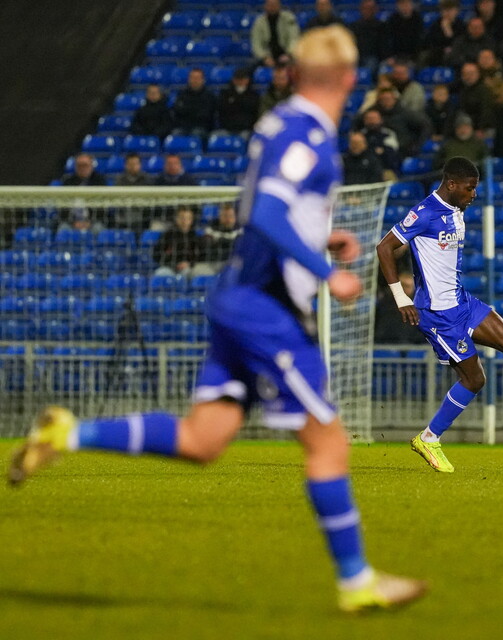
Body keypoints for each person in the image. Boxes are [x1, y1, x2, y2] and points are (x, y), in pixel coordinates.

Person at [8, 26, 426, 614]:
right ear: (350, 79)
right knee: (329, 443)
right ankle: (357, 582)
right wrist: (324, 271)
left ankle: (67, 434)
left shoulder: (277, 123)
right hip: (266, 310)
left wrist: (319, 239)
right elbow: (266, 213)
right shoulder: (307, 133)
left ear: (293, 72)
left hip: (237, 295)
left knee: (203, 439)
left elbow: (264, 207)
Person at [375, 157, 503, 473]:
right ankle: (429, 438)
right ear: (451, 184)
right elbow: (384, 247)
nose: (474, 194)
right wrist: (400, 297)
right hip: (438, 314)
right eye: (470, 188)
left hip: (462, 302)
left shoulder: (456, 209)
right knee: (474, 379)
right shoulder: (425, 212)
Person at [153, 206, 209, 277]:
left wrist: (189, 264)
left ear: (191, 220)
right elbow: (157, 255)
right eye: (182, 218)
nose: (184, 221)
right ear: (176, 219)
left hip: (189, 268)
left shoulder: (196, 237)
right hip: (170, 268)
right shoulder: (168, 235)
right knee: (160, 273)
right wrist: (174, 264)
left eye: (188, 218)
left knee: (195, 272)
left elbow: (202, 256)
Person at [374, 272, 423, 344]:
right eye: (404, 286)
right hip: (387, 342)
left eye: (410, 286)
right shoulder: (385, 303)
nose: (407, 289)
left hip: (414, 343)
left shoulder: (419, 305)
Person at [251, 0, 301, 68]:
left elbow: (294, 38)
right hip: (267, 56)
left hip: (286, 55)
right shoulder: (259, 22)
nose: (272, 7)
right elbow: (256, 44)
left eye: (274, 5)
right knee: (248, 71)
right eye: (270, 5)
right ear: (265, 6)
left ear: (279, 6)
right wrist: (265, 58)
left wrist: (288, 54)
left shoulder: (289, 18)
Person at [172, 68, 217, 138]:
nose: (195, 80)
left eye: (197, 78)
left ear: (203, 80)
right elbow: (177, 111)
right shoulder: (181, 95)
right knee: (175, 134)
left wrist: (188, 111)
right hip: (183, 127)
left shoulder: (209, 96)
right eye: (192, 78)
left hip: (202, 128)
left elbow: (206, 115)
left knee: (195, 134)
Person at [218, 68, 261, 134]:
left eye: (242, 78)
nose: (240, 81)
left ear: (247, 80)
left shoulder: (254, 95)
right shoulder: (225, 94)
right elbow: (222, 112)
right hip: (228, 128)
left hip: (247, 129)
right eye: (238, 79)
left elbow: (254, 113)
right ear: (233, 80)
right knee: (216, 136)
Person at [421, 0, 464, 66]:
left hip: (456, 54)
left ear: (456, 11)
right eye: (445, 10)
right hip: (438, 53)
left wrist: (448, 32)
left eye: (450, 10)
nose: (448, 13)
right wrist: (443, 49)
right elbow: (431, 43)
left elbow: (461, 43)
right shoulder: (436, 25)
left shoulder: (461, 25)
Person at [352, 0, 388, 69]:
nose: (367, 11)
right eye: (365, 8)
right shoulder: (354, 26)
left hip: (374, 57)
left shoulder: (381, 26)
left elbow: (384, 46)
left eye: (370, 9)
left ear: (375, 10)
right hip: (357, 56)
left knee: (371, 63)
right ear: (361, 9)